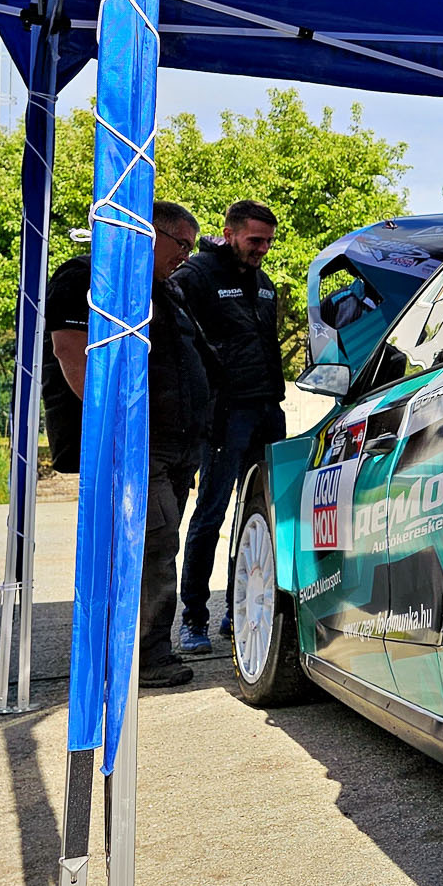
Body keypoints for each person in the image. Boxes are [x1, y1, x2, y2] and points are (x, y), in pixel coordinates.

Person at [42, 202, 214, 690]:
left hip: (178, 445)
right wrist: (118, 428)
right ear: (151, 234)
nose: (186, 256)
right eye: (181, 245)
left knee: (159, 542)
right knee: (152, 545)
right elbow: (71, 352)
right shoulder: (87, 275)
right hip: (139, 442)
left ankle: (144, 648)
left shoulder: (167, 289)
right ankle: (144, 656)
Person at [174, 198, 286, 655]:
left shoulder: (265, 284)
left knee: (263, 516)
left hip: (267, 410)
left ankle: (238, 610)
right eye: (255, 240)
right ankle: (193, 618)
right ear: (230, 233)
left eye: (268, 242)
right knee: (211, 514)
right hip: (223, 414)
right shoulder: (196, 276)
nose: (262, 249)